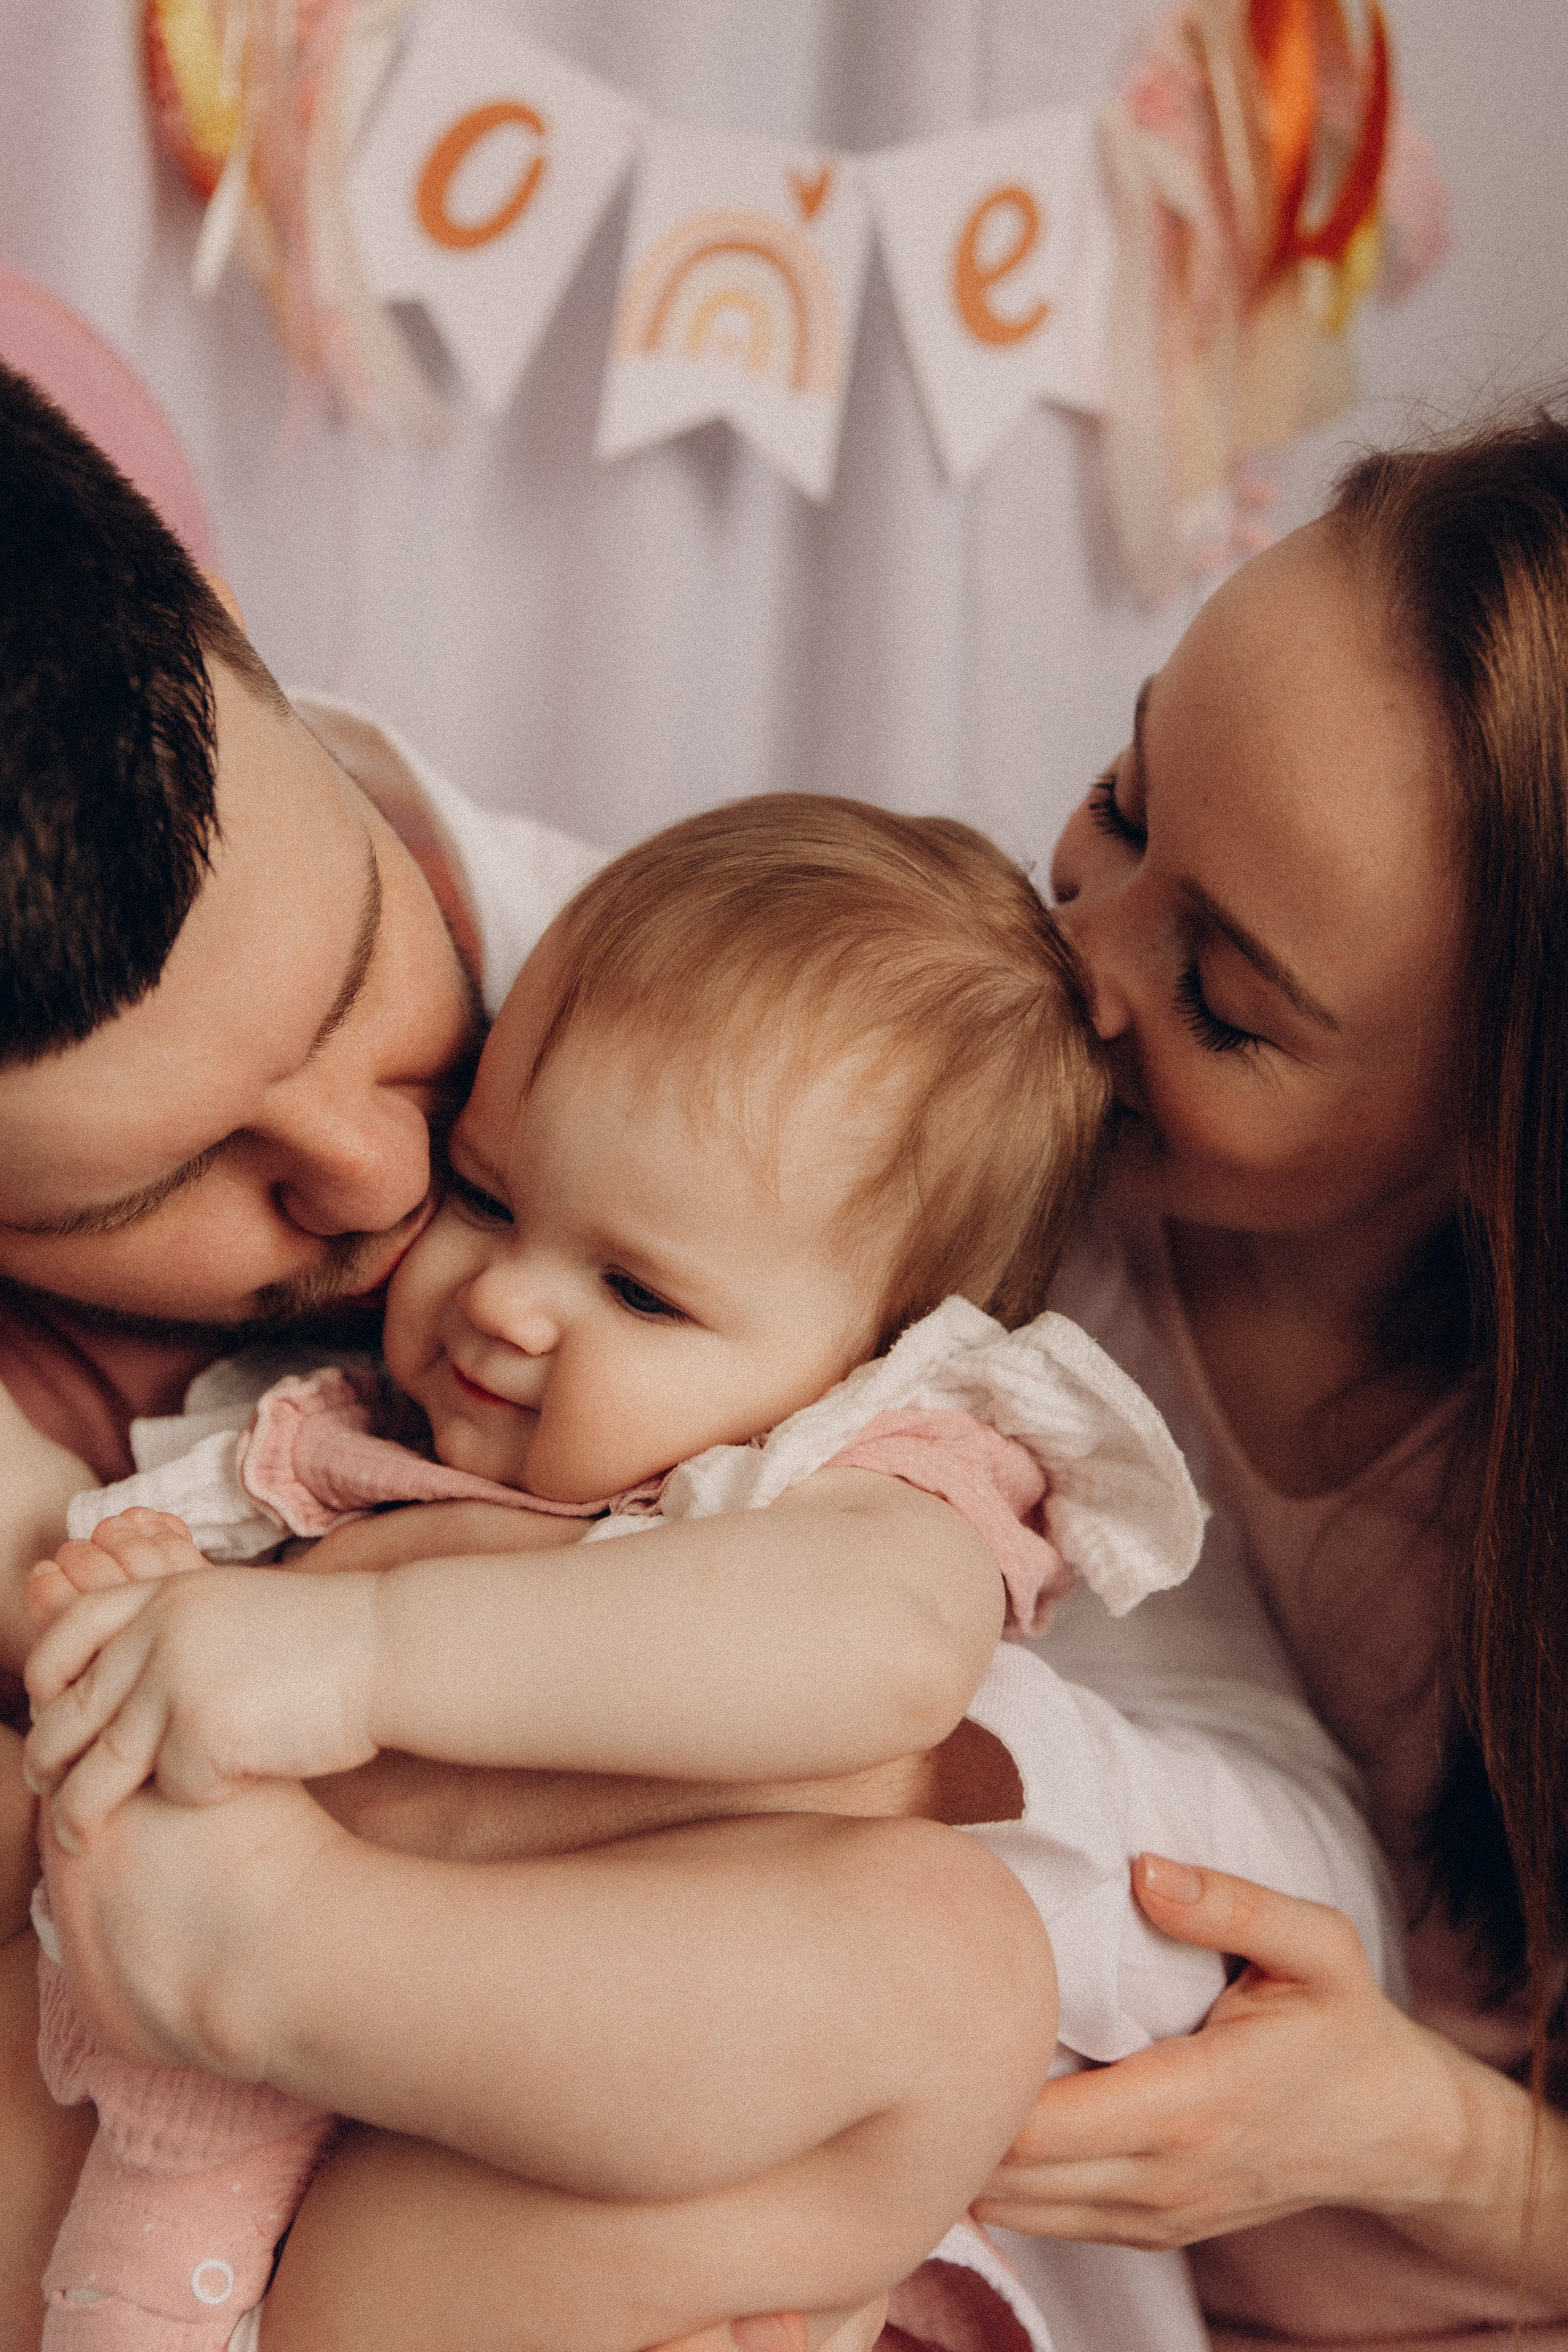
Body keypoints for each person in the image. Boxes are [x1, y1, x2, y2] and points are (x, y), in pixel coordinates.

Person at [20, 790, 1201, 2350]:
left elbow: (893, 1649)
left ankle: (280, 1947)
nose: (503, 1299)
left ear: (884, 1357)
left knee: (961, 1965)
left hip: (426, 2257)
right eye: (491, 1193)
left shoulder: (841, 1486)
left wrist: (354, 1658)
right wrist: (124, 1620)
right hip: (100, 2152)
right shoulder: (324, 1439)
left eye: (638, 1291)